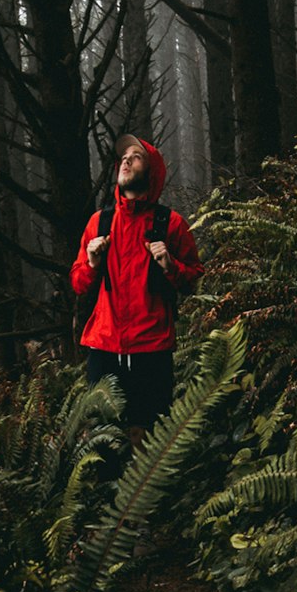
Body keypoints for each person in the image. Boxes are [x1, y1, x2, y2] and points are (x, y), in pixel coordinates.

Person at [69, 134, 202, 434]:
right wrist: (91, 263)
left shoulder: (171, 224)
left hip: (152, 351)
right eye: (123, 157)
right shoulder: (98, 223)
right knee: (103, 439)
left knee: (148, 443)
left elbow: (193, 279)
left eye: (136, 156)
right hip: (103, 348)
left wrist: (171, 266)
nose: (126, 160)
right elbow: (78, 284)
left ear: (152, 170)